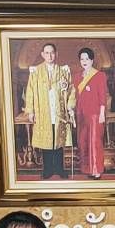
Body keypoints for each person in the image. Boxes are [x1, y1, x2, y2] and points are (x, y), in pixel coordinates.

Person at [23, 42, 73, 179]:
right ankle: (48, 169)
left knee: (58, 140)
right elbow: (30, 92)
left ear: (56, 54)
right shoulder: (36, 72)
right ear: (42, 54)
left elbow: (71, 90)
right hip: (43, 111)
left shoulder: (63, 71)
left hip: (58, 112)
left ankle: (59, 169)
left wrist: (70, 107)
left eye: (52, 53)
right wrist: (31, 111)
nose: (49, 55)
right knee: (46, 141)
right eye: (47, 53)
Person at [72, 47, 108, 179]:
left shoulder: (99, 75)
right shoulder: (77, 77)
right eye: (82, 59)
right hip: (81, 114)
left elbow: (102, 96)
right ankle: (87, 168)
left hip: (95, 114)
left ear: (92, 60)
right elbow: (74, 95)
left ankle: (96, 170)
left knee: (94, 142)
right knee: (83, 142)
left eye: (87, 59)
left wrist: (102, 114)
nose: (84, 61)